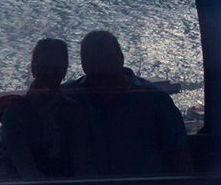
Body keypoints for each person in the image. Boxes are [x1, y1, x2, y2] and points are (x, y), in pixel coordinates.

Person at [72, 28, 192, 176]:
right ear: (84, 65)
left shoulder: (155, 100)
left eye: (106, 58)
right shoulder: (69, 96)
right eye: (95, 59)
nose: (101, 65)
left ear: (121, 58)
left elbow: (179, 156)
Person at [0, 38, 72, 178]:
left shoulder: (74, 112)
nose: (49, 73)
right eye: (44, 67)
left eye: (55, 68)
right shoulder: (14, 111)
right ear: (33, 68)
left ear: (65, 69)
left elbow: (81, 161)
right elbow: (23, 164)